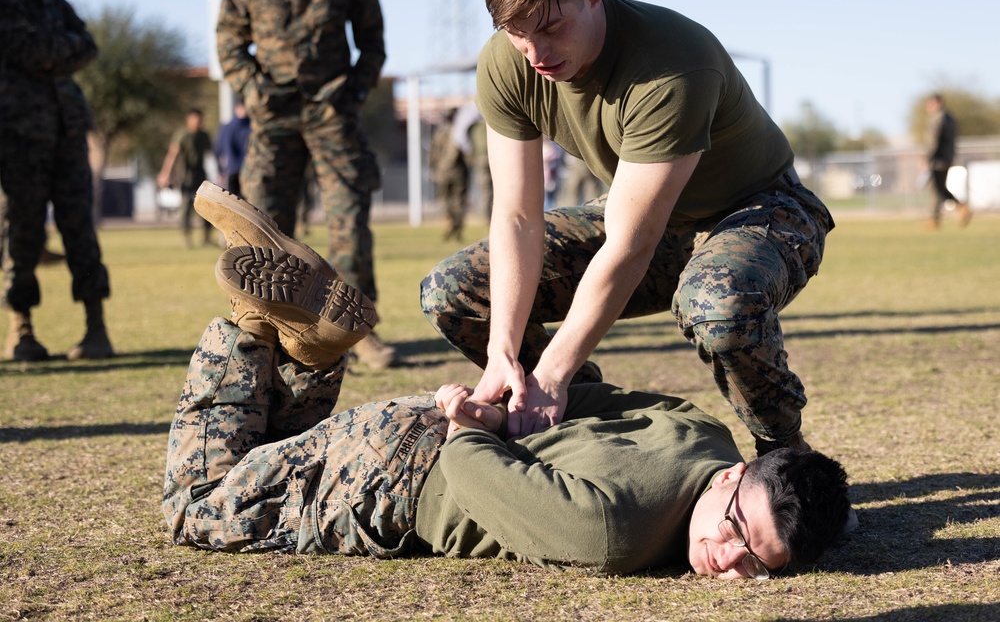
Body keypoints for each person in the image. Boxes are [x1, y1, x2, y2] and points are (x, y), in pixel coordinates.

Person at [164, 183, 852, 578]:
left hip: (416, 427)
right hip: (393, 484)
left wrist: (493, 416)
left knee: (273, 455)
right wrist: (473, 429)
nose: (725, 561)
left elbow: (575, 400)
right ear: (735, 479)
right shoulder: (620, 534)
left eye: (758, 567)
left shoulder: (703, 432)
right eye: (737, 531)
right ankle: (249, 324)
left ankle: (311, 353)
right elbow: (472, 474)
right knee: (196, 505)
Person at [420, 0, 835, 456]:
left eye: (550, 27)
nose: (536, 54)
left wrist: (553, 367)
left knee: (718, 305)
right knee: (454, 291)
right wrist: (504, 350)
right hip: (640, 214)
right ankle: (578, 416)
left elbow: (632, 244)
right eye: (516, 33)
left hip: (759, 209)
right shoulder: (506, 64)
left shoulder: (672, 65)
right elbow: (517, 217)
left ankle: (785, 455)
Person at [216, 0, 396, 369]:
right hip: (273, 117)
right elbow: (229, 42)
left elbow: (374, 43)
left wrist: (353, 93)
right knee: (263, 224)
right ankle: (262, 329)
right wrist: (252, 88)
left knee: (350, 225)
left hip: (331, 115)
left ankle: (358, 334)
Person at [0, 0, 113, 362]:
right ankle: (21, 330)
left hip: (67, 131)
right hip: (19, 137)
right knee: (21, 232)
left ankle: (96, 330)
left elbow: (86, 44)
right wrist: (55, 51)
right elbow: (24, 47)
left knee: (79, 230)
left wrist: (50, 52)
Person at [157, 108, 216, 248]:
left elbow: (211, 154)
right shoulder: (182, 135)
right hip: (186, 177)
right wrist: (165, 174)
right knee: (185, 207)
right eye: (196, 118)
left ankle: (207, 238)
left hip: (201, 176)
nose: (199, 121)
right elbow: (172, 155)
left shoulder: (204, 135)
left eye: (201, 118)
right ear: (189, 119)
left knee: (207, 206)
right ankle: (186, 238)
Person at [923, 93, 970, 230]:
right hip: (948, 157)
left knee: (936, 190)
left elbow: (933, 141)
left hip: (937, 159)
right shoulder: (950, 118)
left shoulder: (937, 118)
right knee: (941, 188)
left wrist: (927, 158)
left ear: (936, 103)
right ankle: (942, 215)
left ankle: (936, 219)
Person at [428, 107, 470, 240]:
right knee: (459, 201)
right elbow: (467, 152)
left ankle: (449, 223)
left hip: (442, 172)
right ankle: (457, 228)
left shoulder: (440, 133)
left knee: (444, 200)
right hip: (458, 172)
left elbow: (433, 154)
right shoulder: (461, 133)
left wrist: (434, 169)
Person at [214, 100, 250, 197]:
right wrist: (220, 170)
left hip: (249, 171)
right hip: (232, 171)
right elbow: (218, 150)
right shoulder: (227, 128)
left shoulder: (251, 127)